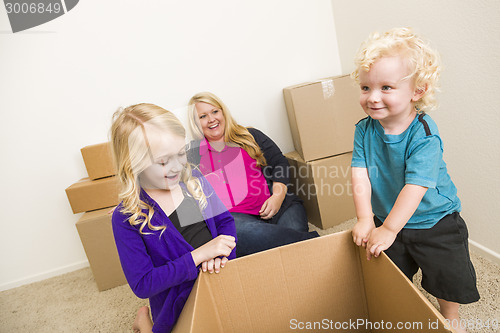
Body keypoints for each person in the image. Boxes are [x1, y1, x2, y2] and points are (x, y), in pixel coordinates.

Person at [350, 27, 479, 333]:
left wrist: (390, 229)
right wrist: (366, 218)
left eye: (386, 87)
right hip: (386, 214)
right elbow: (360, 173)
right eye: (366, 87)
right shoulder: (363, 129)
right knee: (389, 271)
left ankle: (451, 317)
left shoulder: (423, 133)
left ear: (417, 91)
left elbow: (416, 186)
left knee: (446, 276)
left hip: (435, 219)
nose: (373, 97)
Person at [110, 103, 237, 333]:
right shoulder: (128, 217)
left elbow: (224, 224)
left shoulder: (191, 182)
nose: (177, 166)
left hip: (221, 279)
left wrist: (221, 256)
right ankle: (145, 321)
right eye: (163, 161)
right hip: (178, 305)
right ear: (134, 164)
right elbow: (143, 283)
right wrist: (199, 256)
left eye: (180, 154)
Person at [186, 92, 318, 257]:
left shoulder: (250, 135)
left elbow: (279, 163)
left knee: (289, 238)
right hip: (238, 220)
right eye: (203, 116)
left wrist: (278, 196)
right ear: (195, 123)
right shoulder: (192, 155)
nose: (211, 119)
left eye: (215, 112)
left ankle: (307, 247)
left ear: (223, 112)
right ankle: (316, 243)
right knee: (254, 237)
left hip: (280, 206)